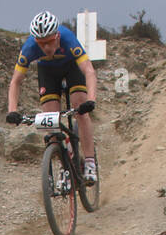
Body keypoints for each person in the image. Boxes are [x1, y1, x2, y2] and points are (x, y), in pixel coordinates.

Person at [6, 11, 98, 184]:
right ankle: (66, 165)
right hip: (47, 72)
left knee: (80, 108)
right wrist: (12, 111)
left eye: (49, 42)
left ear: (57, 36)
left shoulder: (68, 39)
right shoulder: (29, 48)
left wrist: (91, 100)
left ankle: (90, 162)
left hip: (72, 68)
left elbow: (89, 71)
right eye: (41, 44)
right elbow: (15, 81)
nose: (46, 48)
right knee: (51, 121)